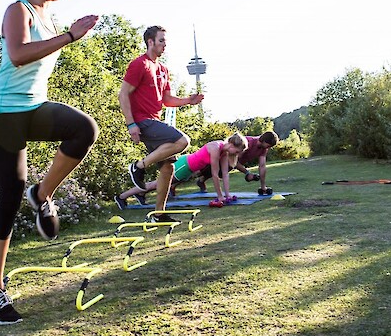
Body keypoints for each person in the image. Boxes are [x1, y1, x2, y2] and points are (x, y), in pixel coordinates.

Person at [0, 0, 99, 325]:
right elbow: (18, 54)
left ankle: (42, 193)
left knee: (84, 129)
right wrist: (71, 36)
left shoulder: (50, 19)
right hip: (3, 114)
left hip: (33, 108)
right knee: (8, 198)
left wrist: (66, 34)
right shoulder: (19, 10)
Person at [119, 25, 204, 222]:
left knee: (168, 168)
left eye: (165, 41)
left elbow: (166, 99)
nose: (165, 44)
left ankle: (158, 214)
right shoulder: (139, 64)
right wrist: (131, 124)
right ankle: (139, 166)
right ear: (150, 42)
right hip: (142, 120)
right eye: (161, 40)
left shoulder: (163, 69)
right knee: (183, 141)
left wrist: (187, 101)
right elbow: (123, 94)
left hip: (154, 120)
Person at [114, 133, 248, 208]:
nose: (236, 154)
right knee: (157, 184)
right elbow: (214, 174)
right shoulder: (215, 148)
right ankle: (121, 197)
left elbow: (224, 174)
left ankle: (140, 195)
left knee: (160, 184)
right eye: (236, 151)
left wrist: (227, 195)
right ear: (231, 144)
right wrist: (220, 197)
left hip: (188, 169)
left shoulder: (224, 152)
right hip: (184, 166)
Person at [196, 131, 279, 195]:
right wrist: (247, 173)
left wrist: (263, 187)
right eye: (268, 145)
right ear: (263, 140)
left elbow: (262, 166)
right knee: (211, 171)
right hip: (225, 159)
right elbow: (233, 160)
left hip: (231, 164)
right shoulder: (248, 142)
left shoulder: (264, 149)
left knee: (221, 173)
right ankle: (199, 176)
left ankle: (201, 179)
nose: (268, 148)